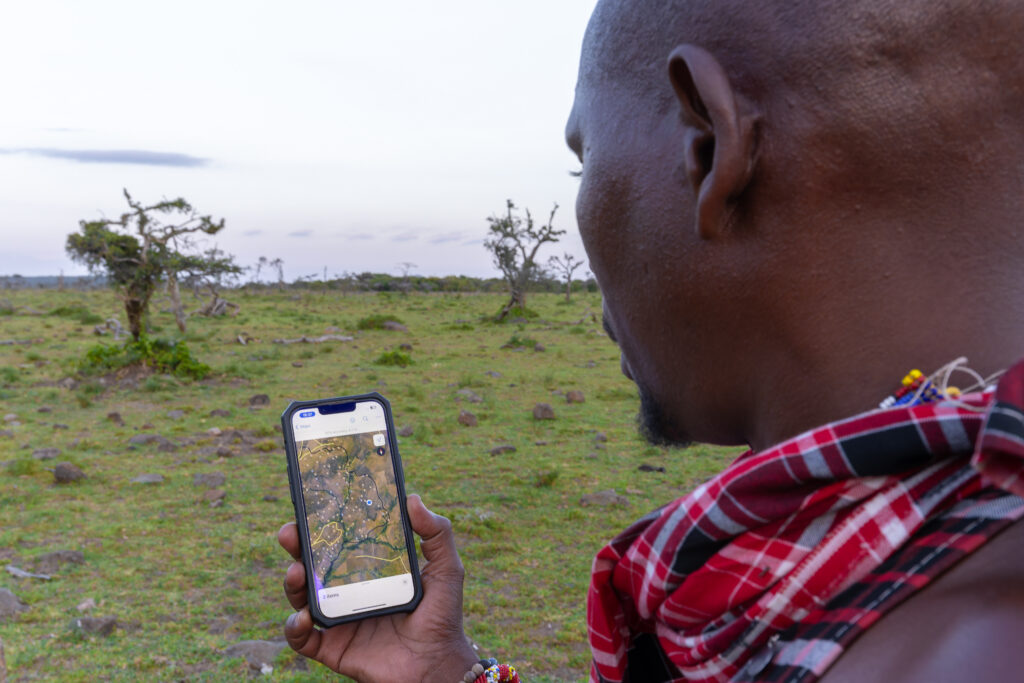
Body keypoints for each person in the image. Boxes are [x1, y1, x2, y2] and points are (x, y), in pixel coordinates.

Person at [278, 0, 1024, 680]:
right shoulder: (865, 553)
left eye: (584, 160)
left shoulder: (949, 651)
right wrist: (445, 672)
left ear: (708, 145)